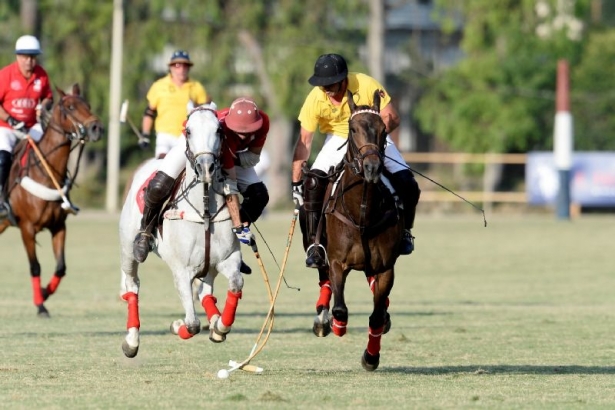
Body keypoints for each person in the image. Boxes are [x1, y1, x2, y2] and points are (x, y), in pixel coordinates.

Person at [291, 53, 420, 268]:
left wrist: (372, 141)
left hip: (371, 137)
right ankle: (316, 245)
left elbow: (392, 118)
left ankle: (405, 232)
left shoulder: (366, 84)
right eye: (323, 85)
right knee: (312, 184)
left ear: (343, 79)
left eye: (330, 84)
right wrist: (296, 184)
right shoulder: (316, 98)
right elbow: (304, 140)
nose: (326, 89)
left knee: (408, 183)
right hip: (338, 139)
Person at [133, 97, 270, 274]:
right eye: (239, 131)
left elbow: (252, 157)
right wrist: (237, 223)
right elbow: (230, 187)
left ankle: (229, 246)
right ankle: (145, 232)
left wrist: (239, 225)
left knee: (260, 195)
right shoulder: (226, 132)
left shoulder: (263, 122)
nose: (243, 135)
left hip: (225, 154)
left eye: (248, 132)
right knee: (159, 185)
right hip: (194, 143)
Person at [0, 35, 53, 219]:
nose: (29, 61)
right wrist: (11, 120)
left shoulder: (41, 74)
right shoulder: (5, 74)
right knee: (3, 154)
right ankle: (1, 197)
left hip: (31, 126)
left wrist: (43, 106)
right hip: (7, 126)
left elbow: (48, 97)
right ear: (17, 57)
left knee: (52, 150)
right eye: (25, 56)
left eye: (32, 57)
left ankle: (60, 192)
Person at [140, 50, 211, 159]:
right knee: (162, 164)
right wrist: (145, 135)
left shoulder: (196, 87)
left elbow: (205, 113)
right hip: (165, 136)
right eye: (177, 65)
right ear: (171, 67)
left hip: (187, 136)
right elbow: (149, 112)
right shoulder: (159, 86)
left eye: (185, 66)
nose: (181, 69)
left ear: (189, 68)